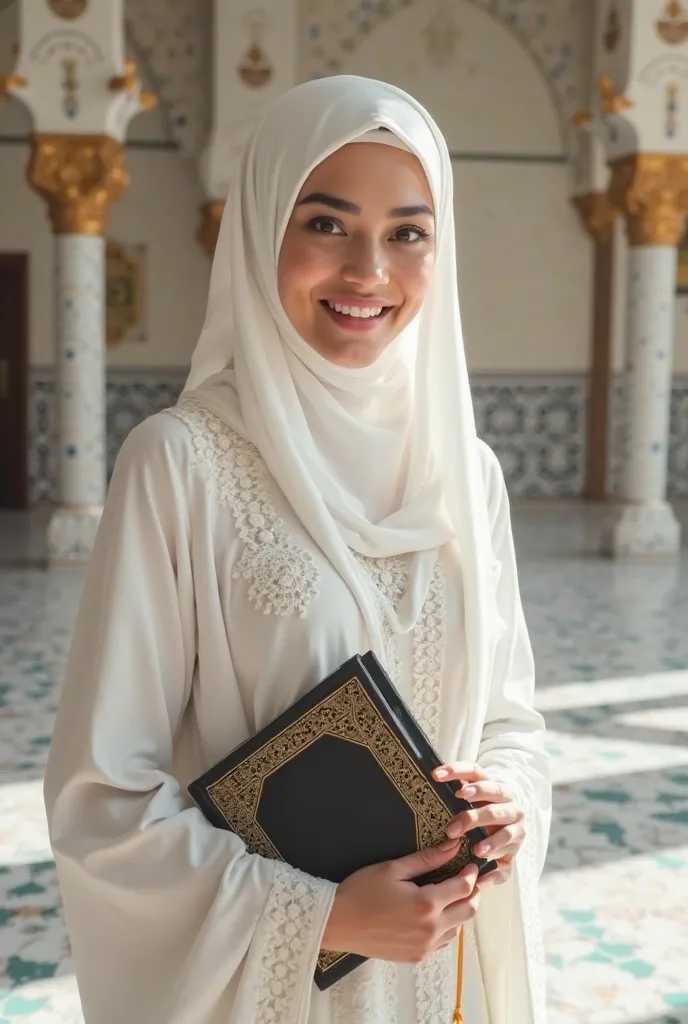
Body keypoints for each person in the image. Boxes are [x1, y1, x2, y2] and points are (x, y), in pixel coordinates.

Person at [44, 75, 551, 1024]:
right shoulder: (182, 464)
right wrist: (322, 918)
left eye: (408, 232)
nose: (369, 270)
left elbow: (509, 720)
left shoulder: (464, 472)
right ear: (261, 231)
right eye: (325, 224)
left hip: (440, 982)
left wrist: (511, 798)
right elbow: (102, 798)